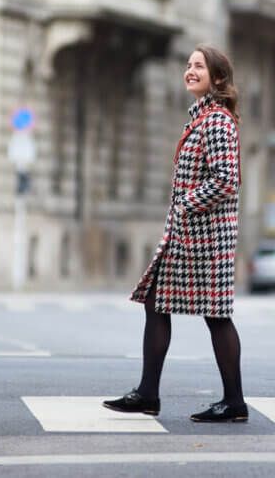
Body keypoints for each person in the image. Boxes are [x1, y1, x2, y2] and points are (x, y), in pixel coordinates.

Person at [103, 44, 247, 423]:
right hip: (190, 235)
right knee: (157, 302)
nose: (190, 71)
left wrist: (185, 204)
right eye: (188, 65)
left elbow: (226, 179)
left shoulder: (216, 121)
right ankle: (148, 393)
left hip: (206, 238)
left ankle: (233, 401)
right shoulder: (200, 118)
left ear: (218, 77)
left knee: (215, 314)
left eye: (199, 66)